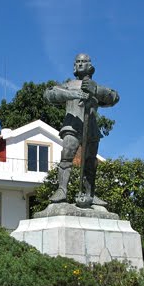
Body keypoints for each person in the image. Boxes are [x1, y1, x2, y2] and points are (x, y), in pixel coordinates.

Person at [44, 53, 119, 208]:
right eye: (77, 62)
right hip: (72, 126)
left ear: (90, 66)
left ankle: (90, 193)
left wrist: (96, 90)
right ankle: (62, 190)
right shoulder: (69, 84)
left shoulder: (95, 86)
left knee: (90, 162)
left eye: (83, 62)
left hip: (90, 128)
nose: (79, 64)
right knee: (66, 156)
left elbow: (114, 97)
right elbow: (49, 94)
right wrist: (73, 94)